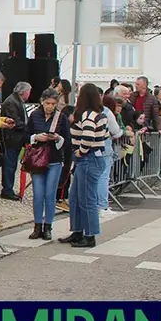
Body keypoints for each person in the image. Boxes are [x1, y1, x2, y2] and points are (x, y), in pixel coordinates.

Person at [62, 83, 111, 249]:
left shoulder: (88, 115)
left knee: (87, 199)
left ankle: (89, 235)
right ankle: (77, 231)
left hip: (88, 158)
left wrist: (80, 152)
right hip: (94, 158)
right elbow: (105, 134)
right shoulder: (100, 114)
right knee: (75, 196)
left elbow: (88, 137)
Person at [25, 88, 69, 241]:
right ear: (42, 102)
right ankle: (37, 226)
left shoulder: (61, 118)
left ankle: (48, 226)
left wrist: (57, 138)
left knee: (50, 195)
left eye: (53, 104)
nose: (50, 106)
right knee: (38, 195)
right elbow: (26, 134)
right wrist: (35, 137)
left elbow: (67, 140)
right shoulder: (34, 115)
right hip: (38, 159)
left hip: (55, 159)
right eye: (47, 103)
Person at [0, 81, 31, 201]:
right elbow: (15, 121)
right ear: (23, 92)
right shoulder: (11, 102)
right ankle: (7, 189)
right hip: (11, 139)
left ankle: (8, 188)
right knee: (9, 165)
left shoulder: (18, 101)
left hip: (16, 139)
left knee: (11, 165)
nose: (29, 94)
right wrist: (28, 127)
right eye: (28, 91)